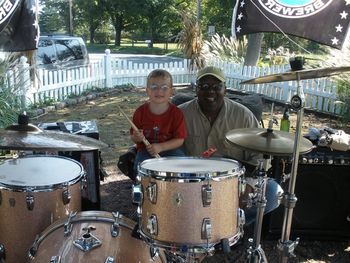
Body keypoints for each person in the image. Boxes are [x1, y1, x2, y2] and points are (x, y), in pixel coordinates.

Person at [178, 66, 283, 225]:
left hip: (234, 184)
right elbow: (169, 150)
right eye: (204, 86)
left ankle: (231, 224)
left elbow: (261, 155)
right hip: (192, 183)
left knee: (273, 192)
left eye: (216, 87)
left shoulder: (243, 115)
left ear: (225, 90)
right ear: (196, 90)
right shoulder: (180, 114)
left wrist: (249, 185)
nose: (210, 92)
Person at [130, 69, 187, 173]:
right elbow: (134, 138)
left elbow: (179, 140)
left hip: (170, 149)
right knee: (139, 169)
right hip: (146, 150)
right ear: (147, 90)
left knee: (181, 167)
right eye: (154, 87)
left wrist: (161, 147)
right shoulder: (140, 112)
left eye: (164, 88)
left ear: (171, 91)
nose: (159, 91)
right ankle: (142, 187)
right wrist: (137, 137)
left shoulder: (176, 113)